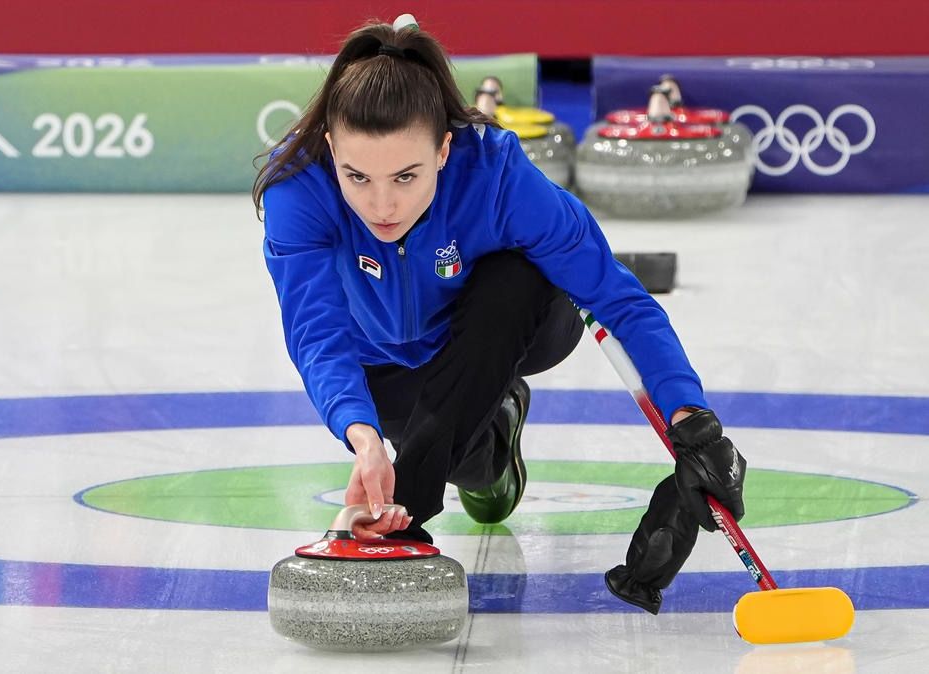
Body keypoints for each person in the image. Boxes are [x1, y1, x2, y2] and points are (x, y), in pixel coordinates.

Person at [253, 15, 747, 615]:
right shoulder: (298, 187)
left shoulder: (497, 173)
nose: (382, 205)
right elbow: (317, 333)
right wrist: (361, 434)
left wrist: (692, 419)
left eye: (406, 176)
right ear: (332, 148)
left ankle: (408, 509)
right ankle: (495, 435)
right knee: (471, 468)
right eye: (357, 177)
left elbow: (617, 298)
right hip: (383, 359)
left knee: (513, 279)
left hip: (516, 327)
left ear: (443, 149)